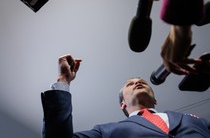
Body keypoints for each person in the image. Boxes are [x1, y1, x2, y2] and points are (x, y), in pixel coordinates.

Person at [41, 54, 210, 138]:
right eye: (130, 84)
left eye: (143, 82)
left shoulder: (196, 120)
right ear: (122, 104)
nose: (138, 83)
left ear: (155, 99)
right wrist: (63, 80)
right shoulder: (104, 132)